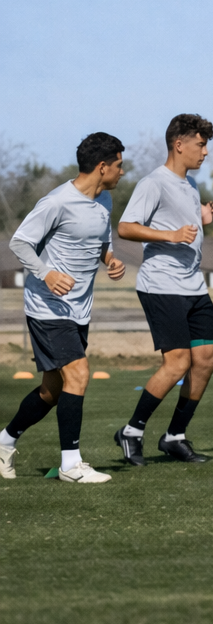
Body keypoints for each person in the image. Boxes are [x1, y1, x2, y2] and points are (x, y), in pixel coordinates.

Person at [0, 133, 126, 483]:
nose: (122, 172)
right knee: (79, 374)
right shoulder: (56, 201)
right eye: (119, 166)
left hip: (79, 310)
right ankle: (71, 465)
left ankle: (4, 442)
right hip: (47, 306)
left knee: (53, 389)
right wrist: (47, 273)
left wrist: (111, 261)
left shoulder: (105, 202)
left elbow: (102, 242)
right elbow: (20, 242)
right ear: (102, 167)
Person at [114, 114, 213, 466]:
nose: (206, 152)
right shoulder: (153, 182)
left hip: (193, 286)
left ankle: (174, 436)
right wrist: (170, 236)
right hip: (162, 285)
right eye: (201, 144)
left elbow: (180, 221)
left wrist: (201, 218)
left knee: (205, 361)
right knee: (178, 363)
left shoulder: (189, 185)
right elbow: (126, 227)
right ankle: (131, 431)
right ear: (179, 144)